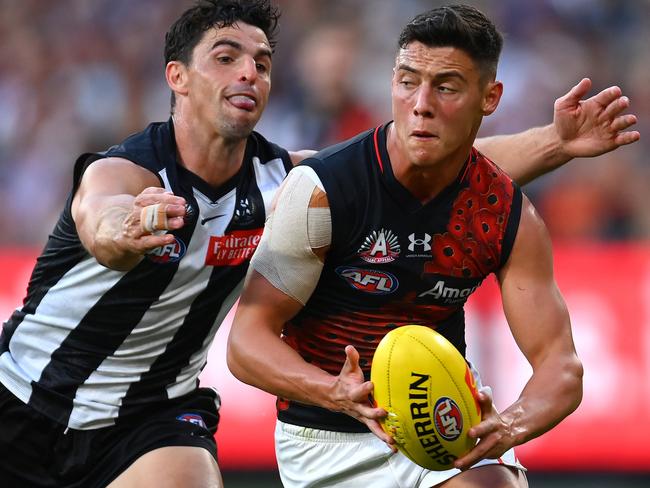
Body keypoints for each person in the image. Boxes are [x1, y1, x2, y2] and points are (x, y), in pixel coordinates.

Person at [0, 1, 638, 487]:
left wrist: (555, 145)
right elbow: (98, 214)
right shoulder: (130, 172)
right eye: (226, 56)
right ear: (178, 77)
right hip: (24, 396)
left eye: (262, 62)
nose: (249, 71)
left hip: (152, 417)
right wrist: (124, 228)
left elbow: (423, 160)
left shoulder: (285, 181)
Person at [226, 5, 630, 487]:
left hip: (443, 426)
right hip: (327, 438)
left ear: (490, 97)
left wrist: (510, 424)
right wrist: (333, 391)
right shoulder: (324, 192)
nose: (421, 104)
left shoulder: (504, 215)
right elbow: (246, 341)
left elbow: (561, 368)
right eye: (406, 81)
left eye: (446, 87)